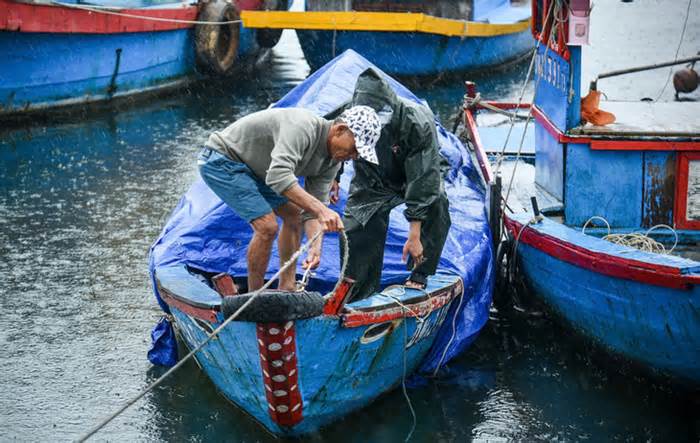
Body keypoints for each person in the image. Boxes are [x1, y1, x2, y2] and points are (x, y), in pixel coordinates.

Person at [198, 106, 381, 292]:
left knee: (294, 215)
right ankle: (255, 297)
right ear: (340, 130)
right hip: (223, 159)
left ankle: (287, 286)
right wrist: (322, 210)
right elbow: (278, 175)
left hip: (257, 170)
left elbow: (312, 211)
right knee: (267, 227)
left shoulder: (333, 160)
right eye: (354, 148)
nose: (354, 156)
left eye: (358, 153)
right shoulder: (302, 127)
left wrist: (314, 247)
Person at [339, 68, 452, 301]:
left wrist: (414, 233)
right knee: (356, 224)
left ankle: (420, 271)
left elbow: (423, 178)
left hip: (415, 173)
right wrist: (333, 176)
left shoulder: (415, 121)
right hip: (373, 178)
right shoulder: (347, 115)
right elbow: (334, 144)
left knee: (436, 201)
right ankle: (358, 290)